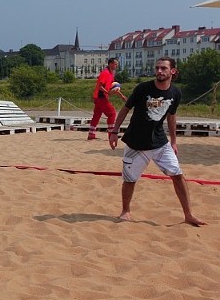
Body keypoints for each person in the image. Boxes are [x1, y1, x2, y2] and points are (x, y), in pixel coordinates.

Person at [108, 57, 206, 226]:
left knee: (177, 174)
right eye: (157, 68)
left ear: (172, 71)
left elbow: (171, 116)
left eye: (163, 68)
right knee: (130, 179)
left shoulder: (176, 93)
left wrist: (174, 141)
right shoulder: (143, 88)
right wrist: (114, 131)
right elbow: (125, 109)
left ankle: (188, 214)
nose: (159, 71)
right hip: (136, 141)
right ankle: (125, 211)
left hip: (160, 141)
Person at [87, 57, 126, 140]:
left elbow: (113, 86)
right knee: (112, 113)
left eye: (117, 65)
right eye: (115, 64)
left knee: (97, 115)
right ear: (110, 64)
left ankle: (91, 134)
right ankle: (111, 134)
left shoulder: (111, 74)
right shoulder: (105, 73)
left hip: (98, 97)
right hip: (101, 97)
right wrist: (107, 93)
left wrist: (121, 95)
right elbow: (100, 86)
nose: (116, 66)